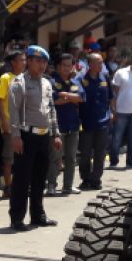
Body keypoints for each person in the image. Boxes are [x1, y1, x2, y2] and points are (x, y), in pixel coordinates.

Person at [7, 45, 61, 231]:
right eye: (38, 61)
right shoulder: (19, 83)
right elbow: (13, 111)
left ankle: (38, 215)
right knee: (22, 179)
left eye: (44, 62)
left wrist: (56, 133)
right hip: (26, 136)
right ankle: (17, 218)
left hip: (44, 136)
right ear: (28, 61)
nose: (42, 65)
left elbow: (51, 109)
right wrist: (15, 136)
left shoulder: (46, 83)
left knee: (40, 178)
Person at [47, 54, 83, 196]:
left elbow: (81, 98)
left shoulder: (75, 82)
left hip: (73, 124)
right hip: (57, 125)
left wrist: (64, 95)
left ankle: (68, 186)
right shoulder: (51, 82)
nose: (67, 68)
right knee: (55, 157)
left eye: (70, 65)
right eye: (64, 65)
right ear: (58, 66)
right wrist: (70, 97)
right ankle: (51, 185)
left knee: (71, 158)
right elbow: (52, 100)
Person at [78, 53, 113, 191]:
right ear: (90, 64)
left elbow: (110, 97)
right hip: (87, 122)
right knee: (86, 153)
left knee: (100, 153)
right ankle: (85, 179)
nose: (101, 65)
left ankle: (96, 179)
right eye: (99, 62)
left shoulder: (105, 78)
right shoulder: (81, 79)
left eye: (102, 62)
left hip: (103, 121)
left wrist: (112, 112)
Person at [0, 50, 25, 194]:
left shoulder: (26, 78)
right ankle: (8, 186)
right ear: (13, 62)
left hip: (24, 123)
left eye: (25, 60)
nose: (24, 62)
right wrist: (4, 121)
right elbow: (0, 100)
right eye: (21, 60)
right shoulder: (6, 78)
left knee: (22, 157)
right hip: (11, 124)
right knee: (9, 157)